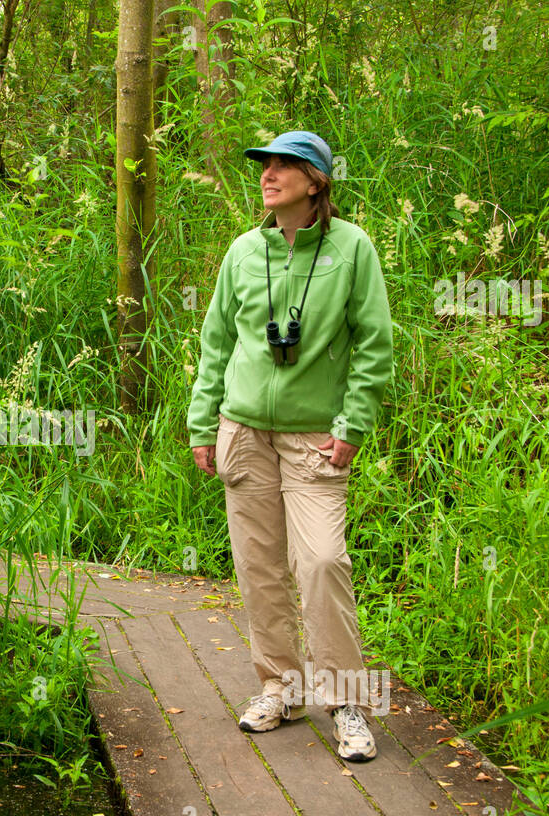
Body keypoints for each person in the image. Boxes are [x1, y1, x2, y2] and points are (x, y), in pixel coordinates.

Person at [186, 130, 393, 762]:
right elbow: (216, 342)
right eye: (265, 164)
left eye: (286, 165)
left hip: (313, 439)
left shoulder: (352, 248)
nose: (269, 173)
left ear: (316, 182)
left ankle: (348, 700)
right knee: (258, 568)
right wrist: (203, 426)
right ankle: (280, 687)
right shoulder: (244, 251)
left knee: (324, 561)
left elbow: (374, 345)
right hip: (242, 432)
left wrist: (352, 424)